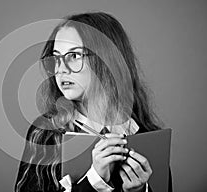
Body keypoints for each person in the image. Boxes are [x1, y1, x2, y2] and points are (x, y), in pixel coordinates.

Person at [14, 12, 172, 192]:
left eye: (73, 56)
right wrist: (94, 182)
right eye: (56, 58)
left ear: (107, 59)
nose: (61, 69)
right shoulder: (45, 134)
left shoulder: (148, 136)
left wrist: (140, 190)